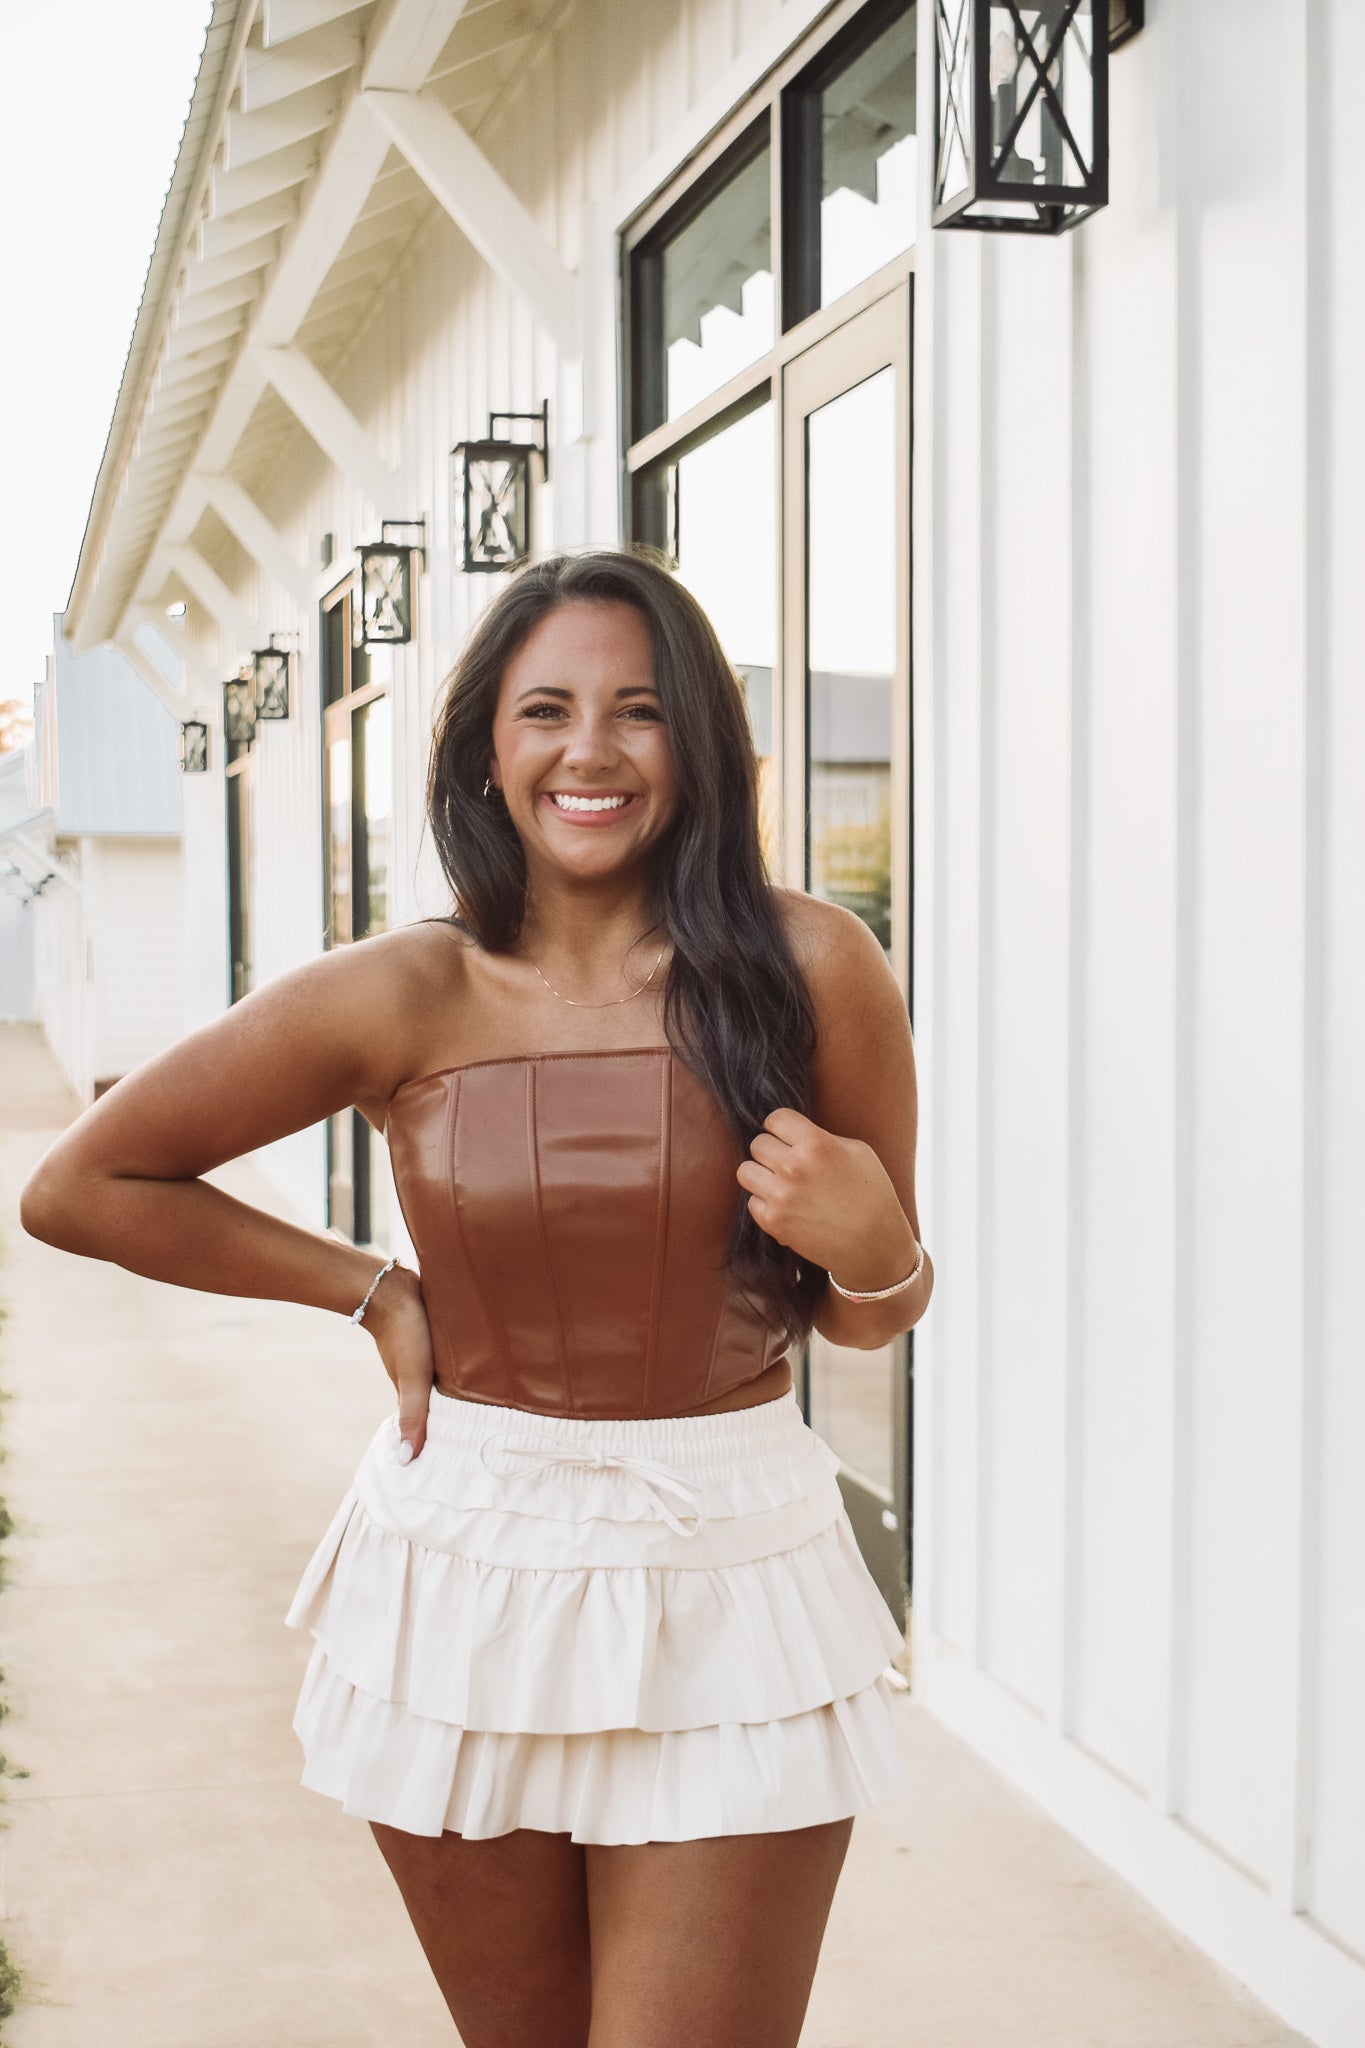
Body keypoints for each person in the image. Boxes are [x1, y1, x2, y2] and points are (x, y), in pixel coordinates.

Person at [21, 547, 933, 2048]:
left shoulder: (814, 965)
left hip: (732, 1564)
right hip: (465, 1561)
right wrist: (372, 1288)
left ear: (695, 741)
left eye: (637, 711)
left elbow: (864, 1313)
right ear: (483, 751)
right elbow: (82, 1188)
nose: (590, 750)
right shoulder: (406, 989)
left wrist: (875, 1242)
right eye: (544, 711)